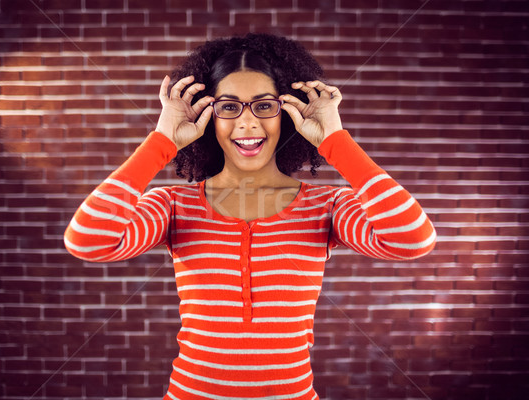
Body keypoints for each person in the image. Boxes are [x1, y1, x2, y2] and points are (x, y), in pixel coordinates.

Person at [64, 33, 436, 400]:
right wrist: (163, 140)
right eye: (228, 107)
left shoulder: (328, 207)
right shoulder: (174, 205)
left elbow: (412, 240)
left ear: (287, 113)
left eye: (263, 106)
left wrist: (335, 140)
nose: (246, 123)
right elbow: (89, 240)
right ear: (209, 116)